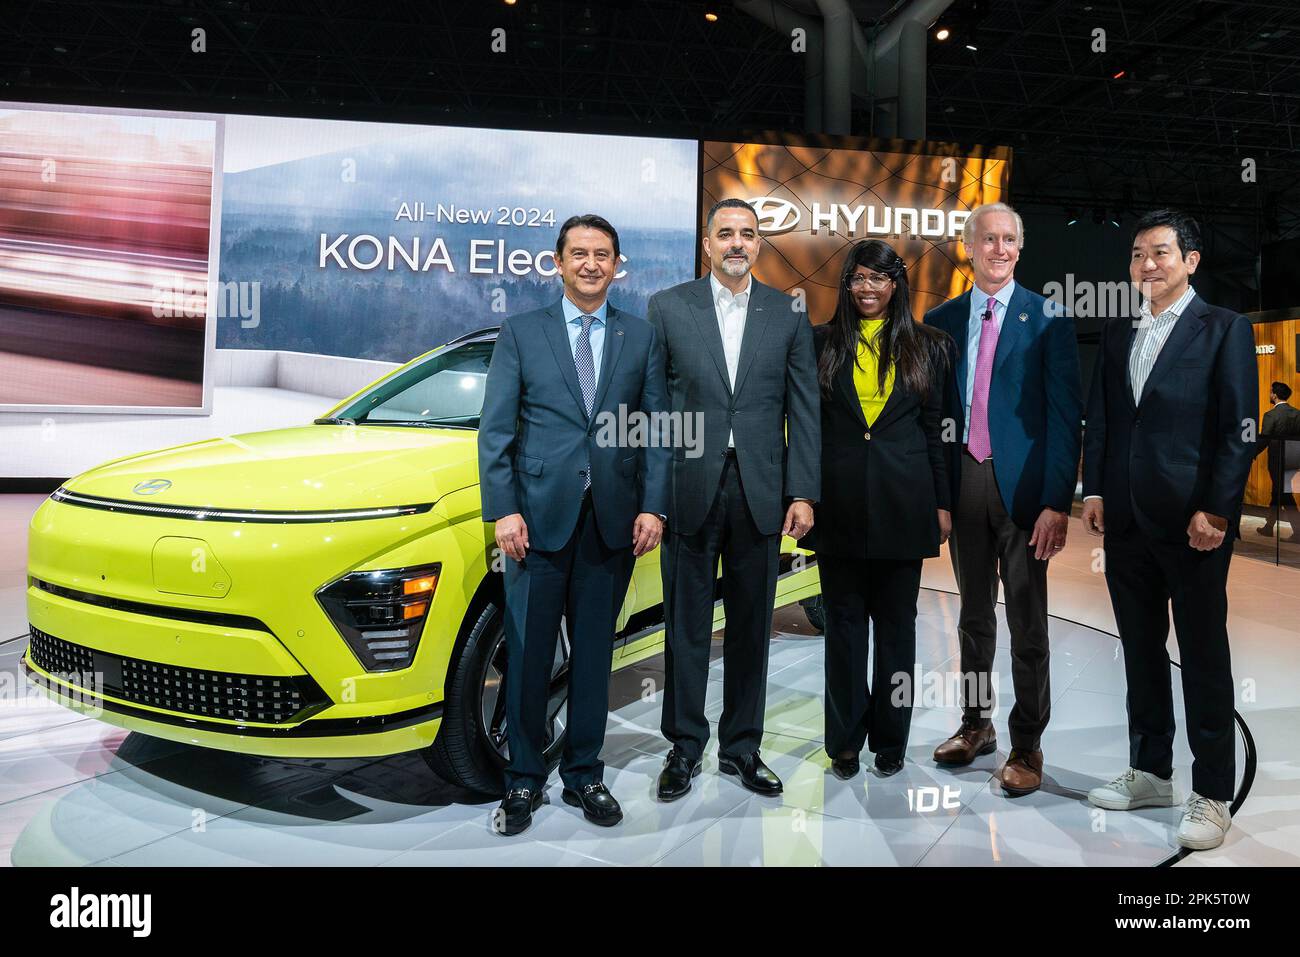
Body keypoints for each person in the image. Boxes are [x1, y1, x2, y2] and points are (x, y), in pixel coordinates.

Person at [478, 214, 670, 835]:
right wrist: (503, 509)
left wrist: (653, 505)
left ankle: (585, 773)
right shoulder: (521, 332)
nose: (591, 264)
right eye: (579, 254)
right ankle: (523, 779)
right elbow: (497, 431)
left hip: (611, 524)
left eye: (603, 254)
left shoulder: (639, 338)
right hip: (534, 524)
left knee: (593, 660)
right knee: (530, 656)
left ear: (618, 266)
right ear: (556, 263)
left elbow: (657, 433)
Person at [1082, 209, 1258, 850]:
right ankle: (1152, 769)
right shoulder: (1119, 329)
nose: (1146, 265)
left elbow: (1240, 429)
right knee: (1139, 650)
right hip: (1125, 520)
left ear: (1191, 260)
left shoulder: (1224, 329)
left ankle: (1212, 792)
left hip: (1194, 526)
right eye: (1136, 255)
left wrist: (1218, 510)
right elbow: (1102, 416)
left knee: (1204, 657)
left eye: (1160, 253)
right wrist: (1095, 488)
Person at [648, 198, 820, 800]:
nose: (737, 244)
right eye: (726, 234)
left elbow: (803, 408)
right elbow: (655, 410)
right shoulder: (668, 308)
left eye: (748, 233)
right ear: (707, 243)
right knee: (686, 628)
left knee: (752, 628)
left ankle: (742, 748)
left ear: (759, 243)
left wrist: (803, 491)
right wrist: (655, 493)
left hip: (761, 493)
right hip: (688, 491)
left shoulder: (787, 313)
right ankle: (684, 747)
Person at [923, 201, 1082, 796]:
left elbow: (1066, 419)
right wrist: (939, 495)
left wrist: (1056, 502)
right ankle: (974, 725)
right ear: (968, 247)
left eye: (1009, 239)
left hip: (1025, 492)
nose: (999, 249)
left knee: (1028, 622)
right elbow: (935, 415)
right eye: (987, 239)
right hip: (964, 481)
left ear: (1020, 247)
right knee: (971, 619)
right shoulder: (941, 319)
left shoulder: (1050, 319)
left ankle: (1027, 744)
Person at [802, 239, 953, 779]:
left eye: (879, 279)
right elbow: (806, 429)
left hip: (904, 503)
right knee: (842, 629)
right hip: (836, 505)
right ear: (846, 284)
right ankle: (843, 741)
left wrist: (942, 502)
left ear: (897, 285)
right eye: (859, 278)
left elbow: (936, 432)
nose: (868, 288)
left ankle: (891, 740)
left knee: (897, 630)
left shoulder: (932, 346)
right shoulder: (819, 343)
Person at [1255, 381, 1300, 541]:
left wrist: (1250, 454)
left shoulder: (1271, 415)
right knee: (1278, 491)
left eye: (1270, 392)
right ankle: (1269, 527)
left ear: (1274, 395)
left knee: (1285, 494)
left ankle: (1298, 531)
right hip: (1293, 459)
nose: (1269, 394)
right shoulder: (1297, 413)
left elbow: (1265, 439)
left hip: (1276, 459)